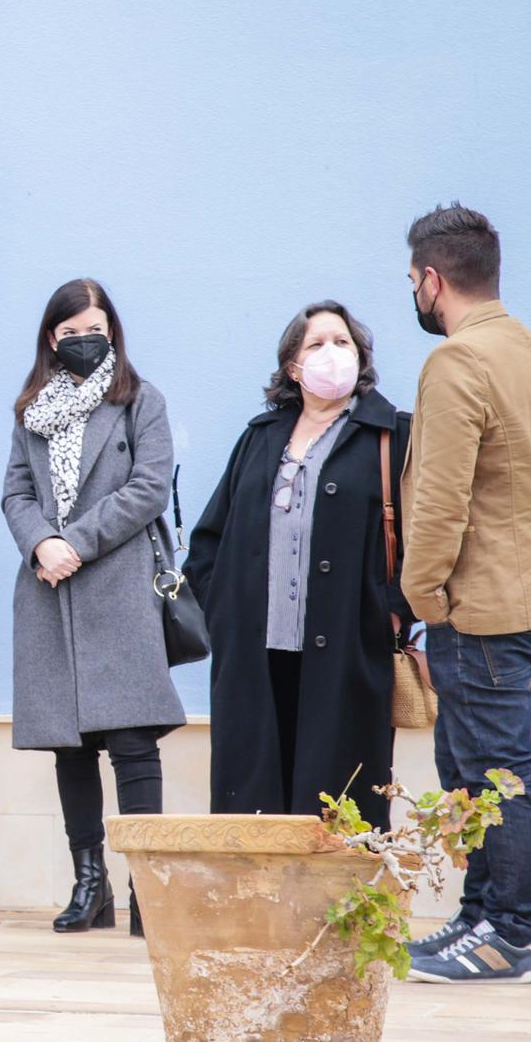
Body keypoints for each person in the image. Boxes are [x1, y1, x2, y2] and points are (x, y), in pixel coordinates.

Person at [183, 303, 411, 831]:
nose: (331, 354)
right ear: (293, 366)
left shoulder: (392, 434)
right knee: (257, 799)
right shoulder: (261, 437)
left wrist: (392, 613)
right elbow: (209, 539)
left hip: (348, 648)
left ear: (360, 356)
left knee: (340, 801)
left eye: (343, 343)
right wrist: (226, 618)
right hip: (255, 654)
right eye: (316, 344)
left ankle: (343, 912)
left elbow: (424, 532)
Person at [1, 278, 183, 937]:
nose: (83, 339)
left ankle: (147, 887)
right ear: (52, 337)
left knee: (132, 741)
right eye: (70, 329)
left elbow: (149, 489)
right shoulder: (31, 410)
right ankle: (91, 884)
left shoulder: (142, 401)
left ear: (113, 330)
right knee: (68, 747)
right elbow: (16, 493)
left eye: (94, 327)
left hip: (118, 583)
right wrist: (41, 543)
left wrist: (71, 542)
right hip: (48, 589)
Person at [397, 204, 531, 984]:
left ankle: (506, 930)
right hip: (516, 600)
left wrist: (423, 598)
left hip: (477, 609)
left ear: (432, 279)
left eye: (414, 280)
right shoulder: (519, 348)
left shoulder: (457, 362)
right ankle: (480, 916)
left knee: (493, 775)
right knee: (492, 769)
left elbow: (439, 502)